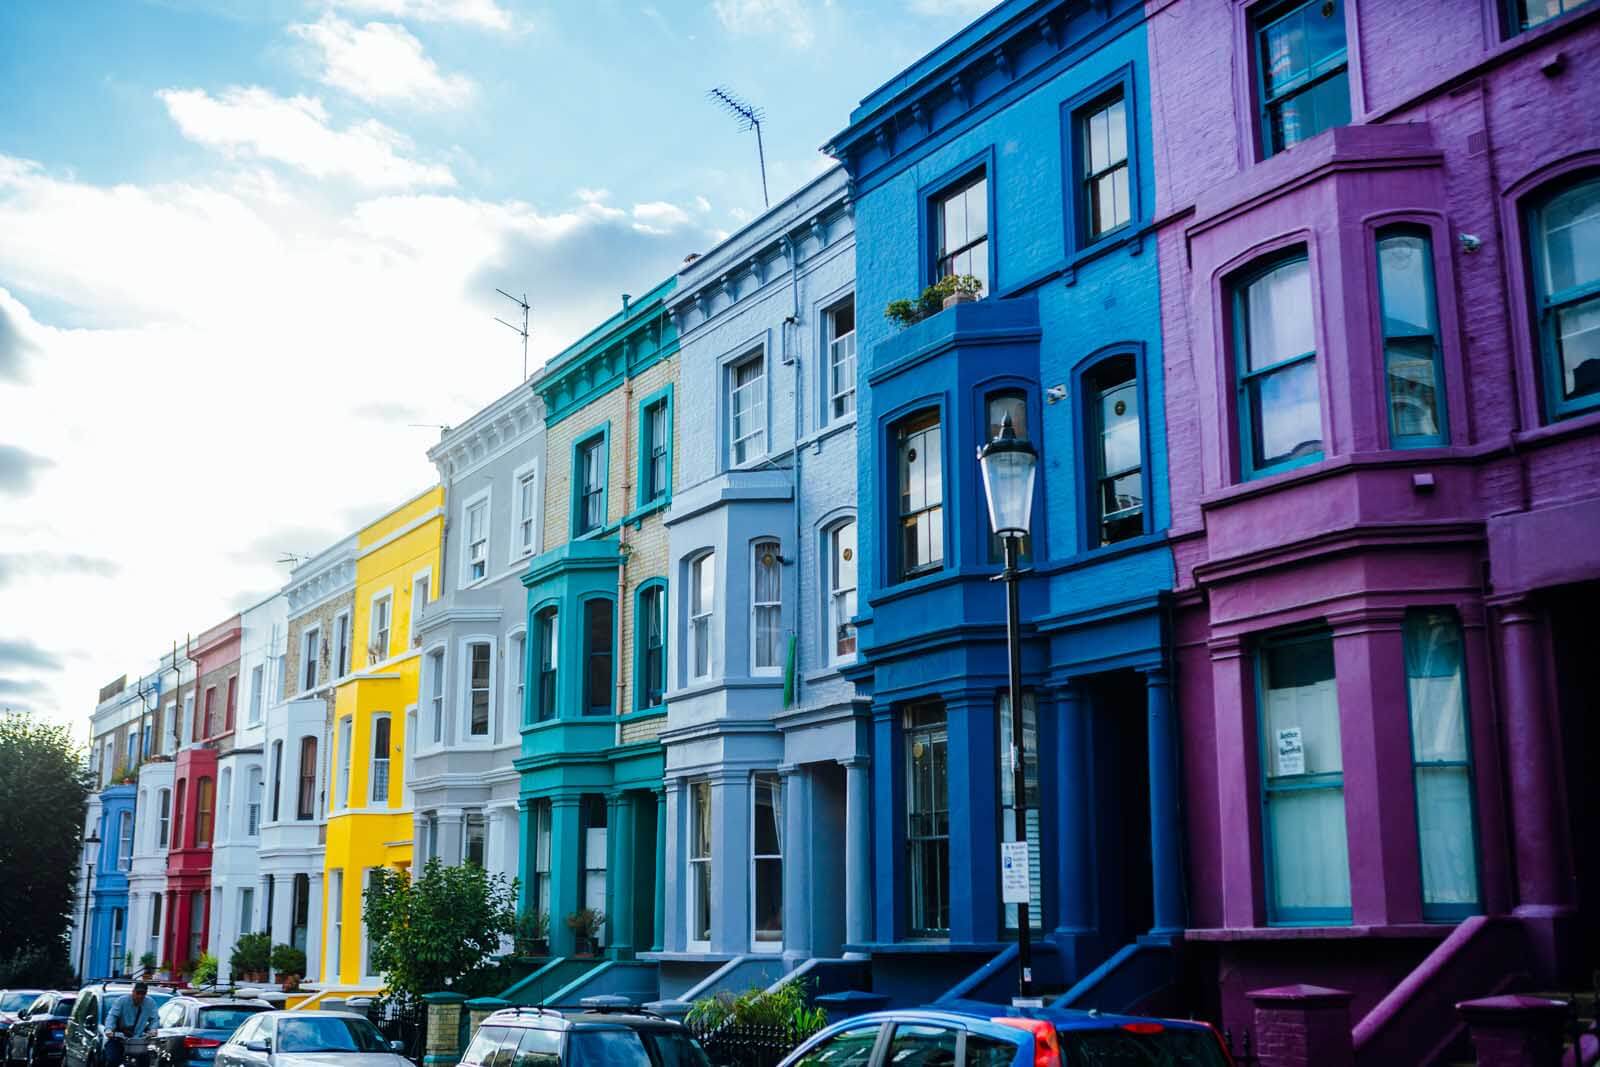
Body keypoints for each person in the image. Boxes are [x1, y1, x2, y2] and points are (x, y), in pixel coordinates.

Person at [104, 982, 157, 1067]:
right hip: (119, 1038)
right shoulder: (121, 1001)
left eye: (143, 994)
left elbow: (154, 1019)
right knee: (112, 1059)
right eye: (138, 993)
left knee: (147, 1061)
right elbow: (112, 1016)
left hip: (138, 1041)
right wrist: (109, 1029)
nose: (140, 996)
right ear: (133, 992)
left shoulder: (150, 1003)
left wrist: (153, 1029)